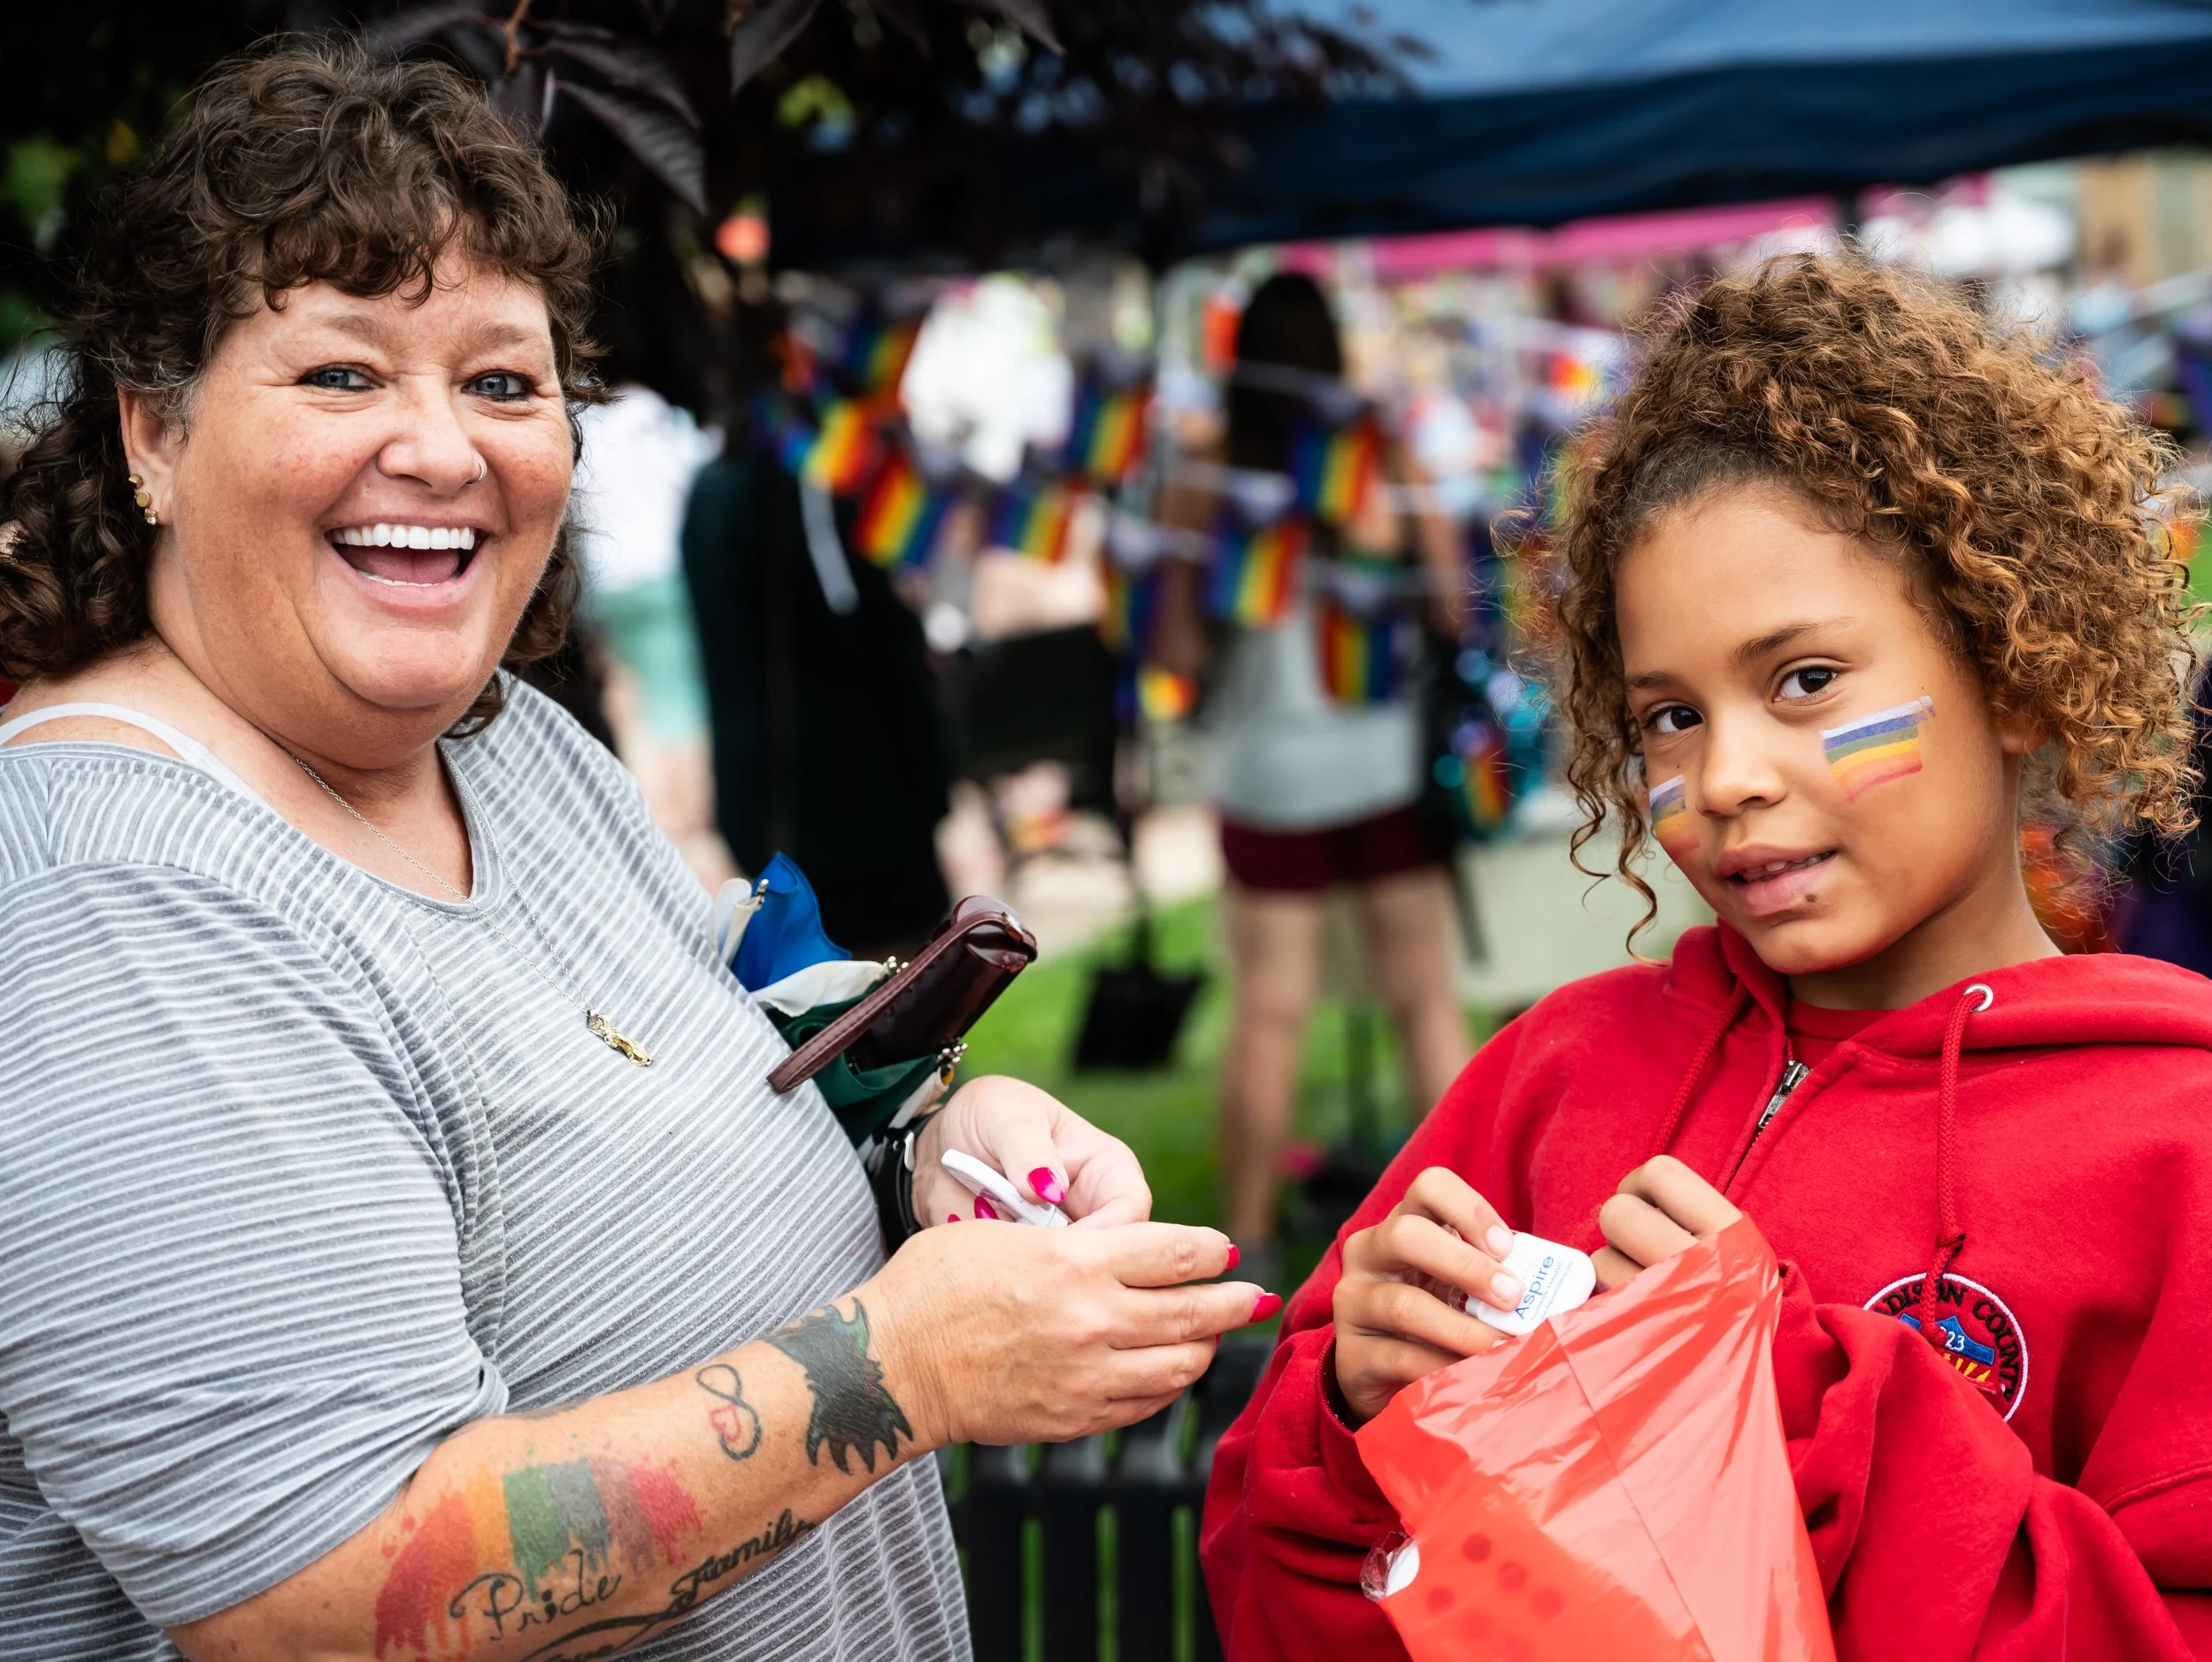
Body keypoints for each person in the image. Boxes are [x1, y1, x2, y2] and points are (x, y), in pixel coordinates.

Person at [0, 42, 1274, 1660]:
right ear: (150, 434)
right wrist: (910, 1369)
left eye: (502, 379)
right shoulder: (115, 900)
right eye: (341, 374)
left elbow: (722, 1052)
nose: (444, 448)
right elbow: (327, 1598)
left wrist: (932, 1143)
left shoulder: (505, 744)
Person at [1202, 255, 2212, 1658]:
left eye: (1805, 681)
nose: (1727, 774)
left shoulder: (2178, 1147)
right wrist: (1348, 1428)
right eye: (1670, 715)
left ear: (2015, 673)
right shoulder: (1551, 1080)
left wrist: (1794, 1414)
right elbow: (1278, 1594)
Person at [1156, 273, 1475, 1268]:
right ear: (1332, 352)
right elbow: (1453, 611)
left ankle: (1244, 1241)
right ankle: (1476, 1225)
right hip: (1382, 763)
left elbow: (1173, 650)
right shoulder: (1381, 455)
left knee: (1271, 1010)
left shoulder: (1205, 475)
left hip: (1267, 774)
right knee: (1425, 997)